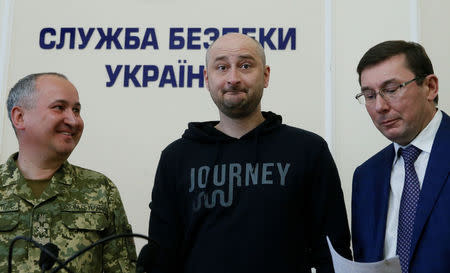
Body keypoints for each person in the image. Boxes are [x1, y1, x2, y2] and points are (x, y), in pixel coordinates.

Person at [147, 33, 351, 273]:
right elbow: (160, 258)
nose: (233, 78)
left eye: (245, 66)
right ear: (206, 78)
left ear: (265, 76)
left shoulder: (308, 150)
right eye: (222, 67)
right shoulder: (176, 157)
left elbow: (333, 253)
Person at [0, 73, 137, 272]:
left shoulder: (100, 189)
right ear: (20, 117)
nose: (73, 121)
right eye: (59, 108)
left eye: (76, 110)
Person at [352, 40, 449, 273]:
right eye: (369, 95)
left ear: (430, 87)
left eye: (391, 90)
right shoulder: (366, 176)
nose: (379, 106)